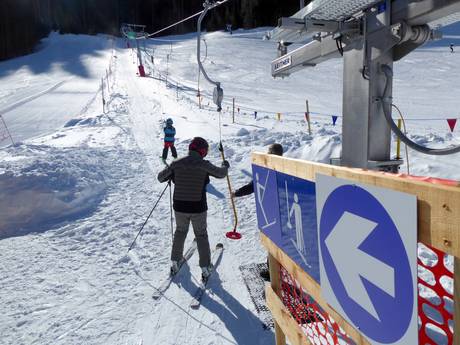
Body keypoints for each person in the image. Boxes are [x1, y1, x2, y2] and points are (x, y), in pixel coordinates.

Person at [158, 137, 230, 280]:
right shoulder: (204, 164)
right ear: (202, 151)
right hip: (198, 207)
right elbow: (221, 174)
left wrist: (171, 173)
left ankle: (175, 261)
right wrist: (225, 165)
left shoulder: (176, 163)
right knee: (201, 235)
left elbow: (161, 177)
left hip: (179, 206)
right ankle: (205, 267)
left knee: (180, 231)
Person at [231, 143, 284, 281]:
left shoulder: (274, 170)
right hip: (276, 212)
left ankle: (274, 272)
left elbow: (252, 186)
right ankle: (275, 269)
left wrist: (237, 193)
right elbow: (253, 185)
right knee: (276, 243)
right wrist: (237, 193)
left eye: (269, 152)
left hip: (274, 213)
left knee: (274, 243)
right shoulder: (281, 169)